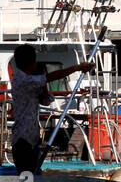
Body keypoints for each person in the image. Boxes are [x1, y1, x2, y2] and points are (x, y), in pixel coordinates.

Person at [9, 45, 94, 174]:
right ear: (31, 62)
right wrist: (76, 68)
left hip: (32, 136)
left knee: (33, 174)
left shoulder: (32, 80)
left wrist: (42, 83)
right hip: (22, 138)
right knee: (26, 175)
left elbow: (45, 99)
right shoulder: (21, 78)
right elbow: (50, 77)